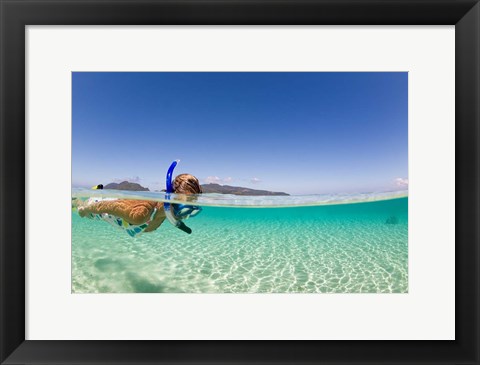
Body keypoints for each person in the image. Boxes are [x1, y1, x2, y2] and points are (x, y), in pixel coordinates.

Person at [77, 161, 202, 237]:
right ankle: (81, 200)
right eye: (185, 207)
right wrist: (84, 209)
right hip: (98, 209)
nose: (187, 213)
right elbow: (103, 207)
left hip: (116, 211)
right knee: (79, 207)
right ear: (171, 198)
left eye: (191, 208)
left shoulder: (167, 209)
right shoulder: (141, 213)